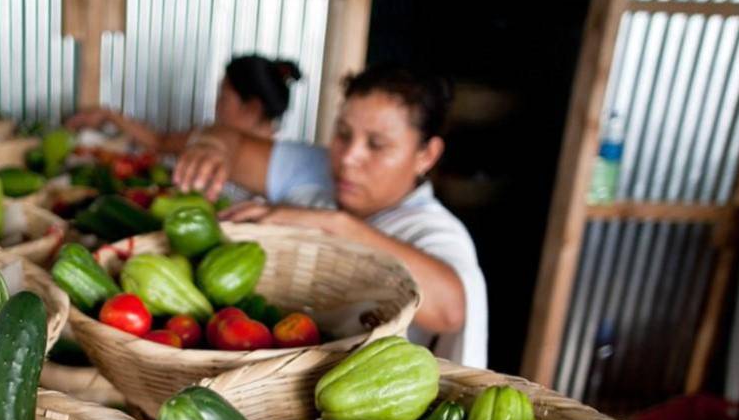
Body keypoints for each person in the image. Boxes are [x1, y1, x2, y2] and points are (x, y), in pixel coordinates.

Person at [173, 64, 488, 368]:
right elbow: (232, 141)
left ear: (427, 155)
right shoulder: (315, 167)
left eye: (376, 144)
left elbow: (450, 309)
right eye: (342, 133)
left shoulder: (434, 231)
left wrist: (332, 223)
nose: (349, 157)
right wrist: (212, 144)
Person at [66, 55, 303, 154]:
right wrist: (108, 115)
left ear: (252, 108)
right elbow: (159, 142)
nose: (216, 105)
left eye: (224, 98)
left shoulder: (276, 162)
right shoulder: (213, 136)